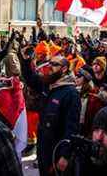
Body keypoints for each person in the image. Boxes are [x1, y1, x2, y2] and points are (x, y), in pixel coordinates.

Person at [20, 47, 81, 176]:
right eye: (49, 63)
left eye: (54, 64)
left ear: (64, 69)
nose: (49, 66)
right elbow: (30, 78)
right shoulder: (48, 84)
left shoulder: (71, 94)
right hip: (43, 147)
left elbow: (72, 128)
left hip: (57, 150)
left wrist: (65, 155)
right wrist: (26, 60)